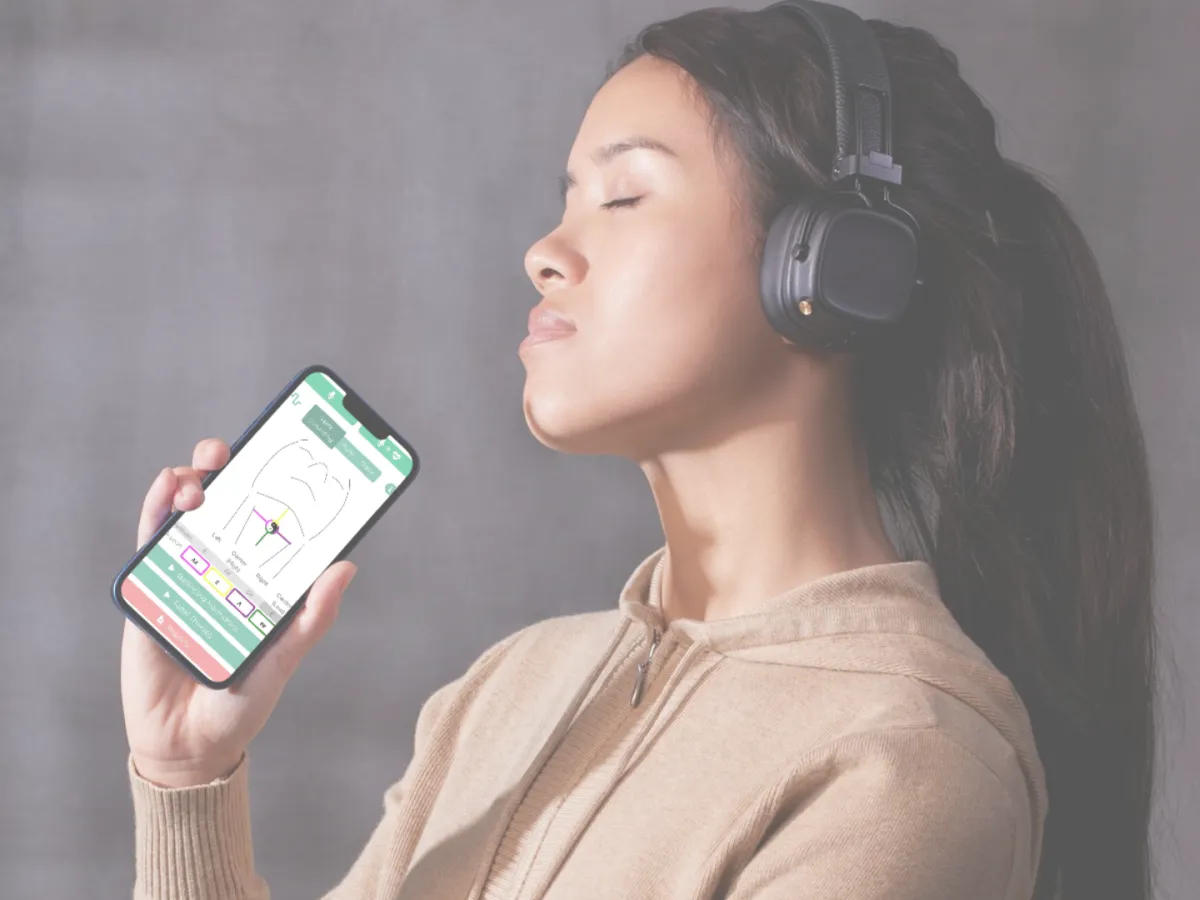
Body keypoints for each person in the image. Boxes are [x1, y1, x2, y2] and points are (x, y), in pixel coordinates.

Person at [120, 3, 1159, 899]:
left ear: (833, 266)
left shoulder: (905, 758)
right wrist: (183, 779)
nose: (543, 252)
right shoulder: (507, 690)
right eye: (566, 198)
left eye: (623, 197)